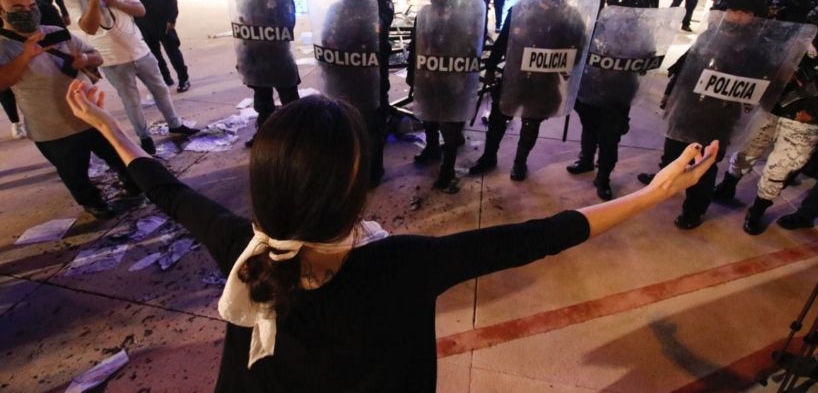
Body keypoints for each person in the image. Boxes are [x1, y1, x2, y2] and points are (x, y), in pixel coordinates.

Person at [64, 74, 717, 391]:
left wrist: (107, 127)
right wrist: (655, 191)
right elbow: (543, 234)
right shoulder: (403, 263)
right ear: (355, 195)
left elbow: (168, 190)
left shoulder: (241, 246)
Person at [638, 0, 776, 230]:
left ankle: (693, 211)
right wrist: (670, 93)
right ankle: (666, 179)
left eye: (744, 12)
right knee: (672, 152)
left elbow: (762, 86)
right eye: (731, 10)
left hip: (721, 118)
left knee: (703, 168)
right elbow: (687, 67)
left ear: (756, 15)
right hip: (689, 109)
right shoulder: (711, 34)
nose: (736, 16)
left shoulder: (761, 49)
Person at [0, 0, 140, 219]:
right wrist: (25, 54)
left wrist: (84, 58)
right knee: (74, 173)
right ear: (2, 12)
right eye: (18, 8)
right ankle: (95, 205)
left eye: (32, 6)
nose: (28, 12)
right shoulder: (3, 46)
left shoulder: (56, 32)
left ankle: (133, 187)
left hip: (91, 116)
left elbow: (97, 57)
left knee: (118, 156)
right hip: (51, 128)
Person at [713, 1, 818, 235]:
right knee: (746, 150)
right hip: (771, 108)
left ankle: (758, 209)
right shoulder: (797, 42)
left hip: (806, 123)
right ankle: (728, 185)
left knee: (780, 169)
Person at [63, 0, 198, 155]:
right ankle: (144, 138)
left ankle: (175, 125)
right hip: (112, 57)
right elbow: (88, 27)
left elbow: (140, 10)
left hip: (139, 48)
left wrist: (114, 1)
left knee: (160, 89)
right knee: (131, 100)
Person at [469, 0, 584, 181]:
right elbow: (503, 41)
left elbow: (578, 46)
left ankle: (520, 162)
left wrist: (570, 66)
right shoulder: (522, 9)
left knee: (532, 123)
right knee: (498, 118)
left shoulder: (571, 16)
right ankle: (489, 156)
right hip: (516, 76)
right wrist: (492, 67)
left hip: (545, 80)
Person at [568, 0, 653, 200]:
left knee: (609, 138)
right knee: (589, 128)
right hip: (590, 89)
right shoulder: (596, 25)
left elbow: (648, 59)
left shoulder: (642, 32)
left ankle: (603, 177)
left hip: (618, 94)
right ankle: (586, 160)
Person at [408, 0, 472, 193]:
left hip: (451, 77)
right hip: (429, 75)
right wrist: (411, 75)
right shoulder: (424, 13)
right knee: (429, 117)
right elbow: (415, 45)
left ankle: (448, 169)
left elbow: (470, 47)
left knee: (450, 126)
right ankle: (432, 148)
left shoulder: (461, 16)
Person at [228, 0, 301, 148]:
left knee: (290, 101)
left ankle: (297, 136)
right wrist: (243, 58)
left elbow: (287, 26)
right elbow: (241, 27)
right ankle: (265, 134)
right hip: (254, 57)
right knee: (262, 102)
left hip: (278, 57)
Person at [322, 0, 384, 185]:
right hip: (342, 77)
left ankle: (373, 172)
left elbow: (379, 38)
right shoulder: (334, 9)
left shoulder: (373, 7)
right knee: (344, 127)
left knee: (369, 128)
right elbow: (326, 38)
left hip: (367, 79)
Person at [124, 0, 191, 92]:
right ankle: (165, 80)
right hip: (142, 24)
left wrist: (171, 19)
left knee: (173, 52)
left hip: (163, 22)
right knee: (154, 56)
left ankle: (183, 79)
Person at [354, 0, 395, 185]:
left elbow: (382, 25)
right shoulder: (345, 0)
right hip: (349, 67)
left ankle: (374, 170)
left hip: (374, 62)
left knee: (374, 116)